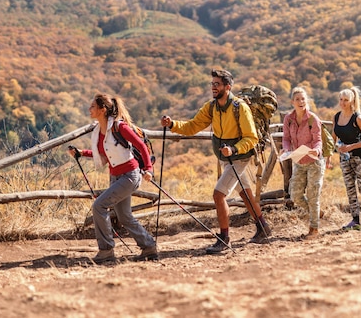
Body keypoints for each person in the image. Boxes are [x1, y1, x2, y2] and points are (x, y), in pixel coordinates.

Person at [160, 69, 272, 254]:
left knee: (218, 195)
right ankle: (263, 228)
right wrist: (173, 124)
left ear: (228, 87)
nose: (213, 87)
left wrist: (234, 149)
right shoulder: (211, 107)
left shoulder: (239, 107)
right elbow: (193, 126)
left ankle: (224, 238)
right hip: (226, 158)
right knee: (244, 193)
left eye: (217, 84)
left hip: (239, 157)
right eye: (212, 84)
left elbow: (251, 138)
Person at [68, 93, 158, 263]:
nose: (90, 109)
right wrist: (81, 153)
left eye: (93, 106)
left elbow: (141, 146)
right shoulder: (99, 131)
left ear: (102, 110)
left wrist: (148, 169)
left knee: (99, 206)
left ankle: (106, 250)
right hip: (116, 176)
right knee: (124, 216)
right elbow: (103, 154)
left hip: (130, 176)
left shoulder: (119, 127)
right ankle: (148, 247)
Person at [332, 87, 361, 230]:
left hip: (359, 157)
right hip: (344, 158)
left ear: (352, 101)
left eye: (346, 100)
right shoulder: (336, 117)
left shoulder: (357, 118)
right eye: (341, 100)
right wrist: (337, 147)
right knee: (350, 189)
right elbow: (333, 139)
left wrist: (351, 147)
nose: (343, 103)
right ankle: (355, 220)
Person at [281, 87, 325, 240]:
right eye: (297, 99)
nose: (301, 102)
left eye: (303, 99)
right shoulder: (288, 119)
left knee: (313, 197)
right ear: (292, 102)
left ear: (307, 101)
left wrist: (317, 151)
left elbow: (318, 140)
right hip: (298, 161)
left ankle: (314, 229)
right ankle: (316, 212)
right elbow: (286, 139)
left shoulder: (313, 119)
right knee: (296, 196)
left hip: (314, 162)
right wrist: (285, 149)